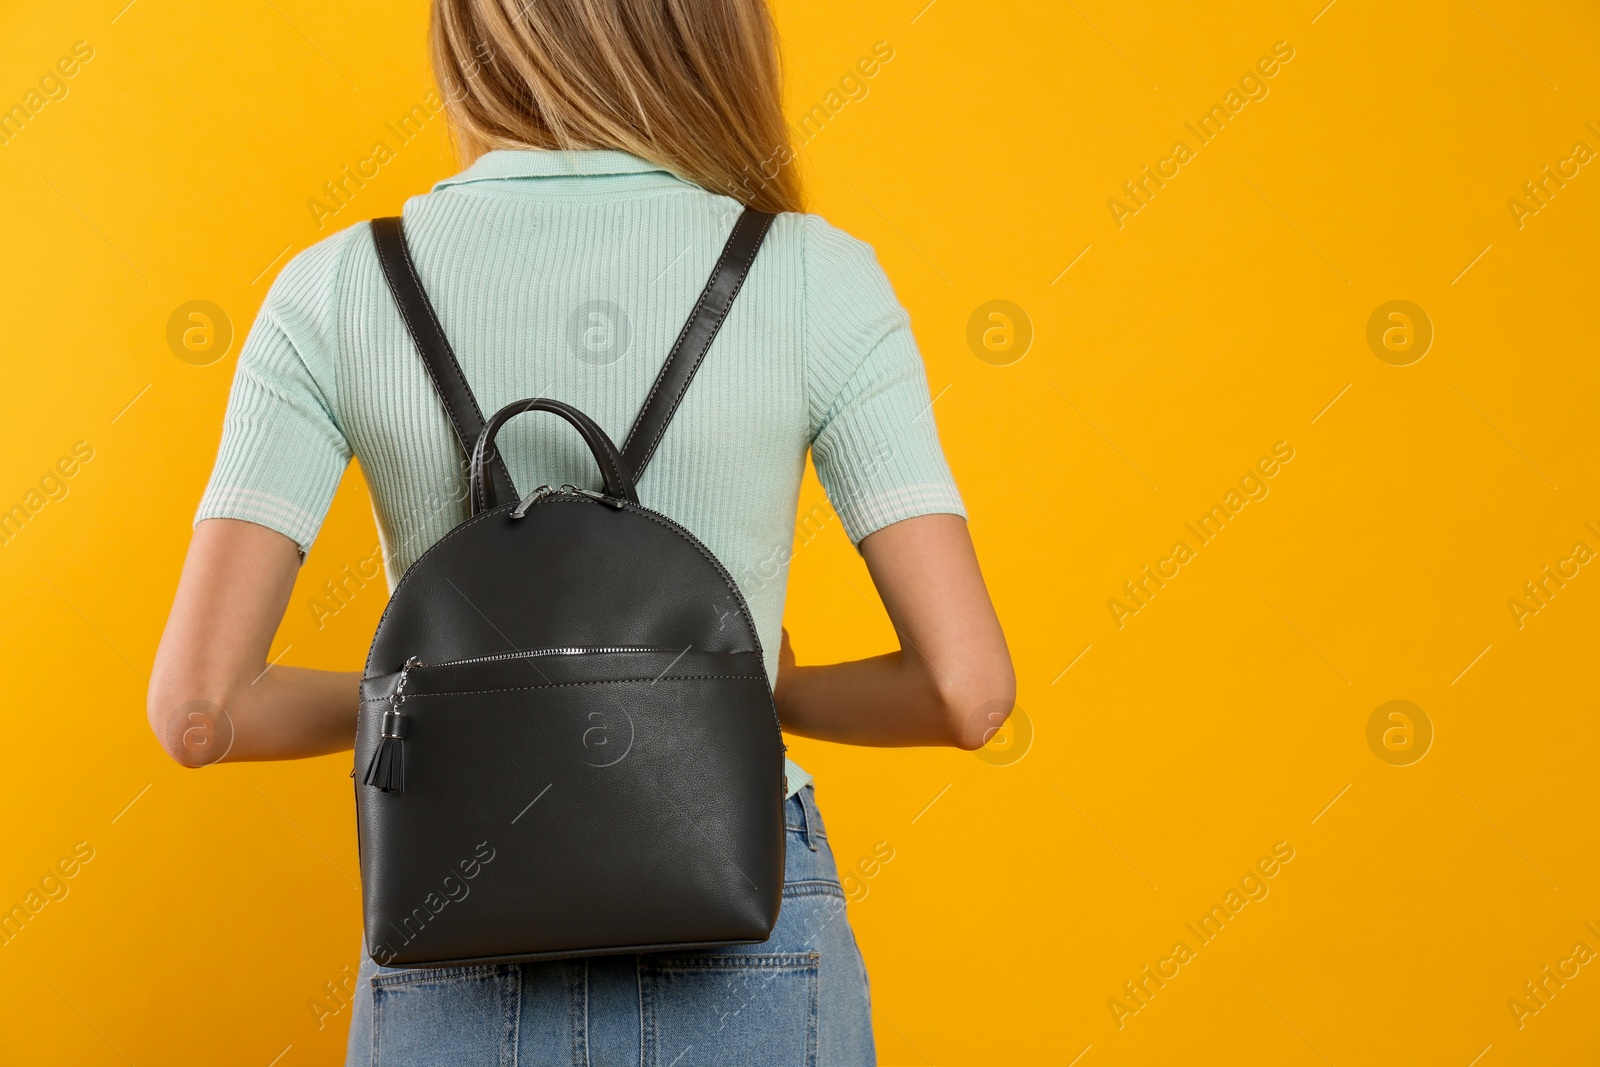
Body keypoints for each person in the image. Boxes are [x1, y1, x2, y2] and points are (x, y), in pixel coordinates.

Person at [147, 0, 1014, 1062]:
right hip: (742, 922)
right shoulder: (812, 274)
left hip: (456, 922)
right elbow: (965, 691)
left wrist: (426, 704)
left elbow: (199, 706)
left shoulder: (335, 287)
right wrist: (755, 688)